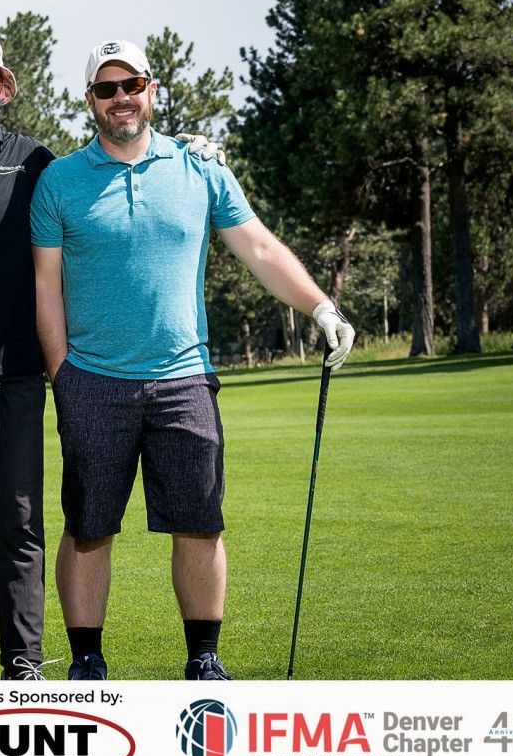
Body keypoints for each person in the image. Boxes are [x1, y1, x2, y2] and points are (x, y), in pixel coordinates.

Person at [0, 26, 226, 682]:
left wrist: (190, 154)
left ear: (2, 86)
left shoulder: (38, 164)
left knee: (23, 527)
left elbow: (110, 177)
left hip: (19, 376)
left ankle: (23, 663)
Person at [30, 39, 356, 682]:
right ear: (90, 100)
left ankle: (204, 660)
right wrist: (62, 374)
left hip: (184, 379)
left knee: (200, 523)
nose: (121, 97)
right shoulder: (60, 181)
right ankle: (87, 662)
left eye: (133, 84)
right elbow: (44, 284)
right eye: (106, 88)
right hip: (92, 380)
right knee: (90, 527)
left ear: (152, 90)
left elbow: (259, 248)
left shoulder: (200, 168)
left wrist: (321, 308)